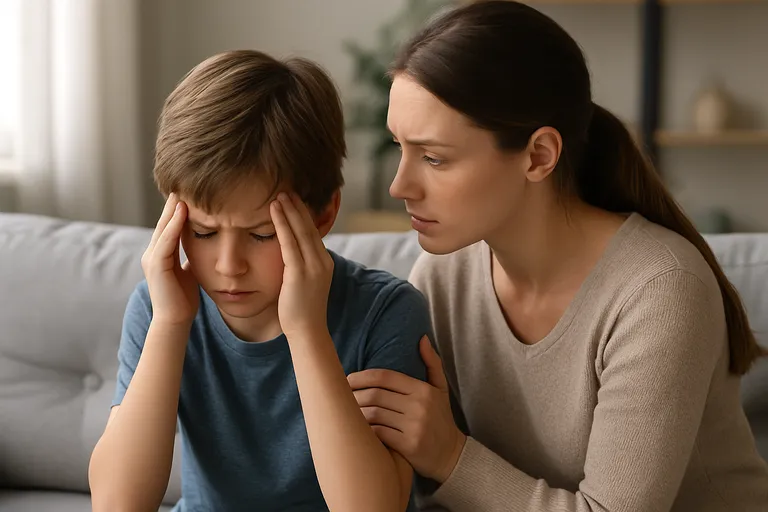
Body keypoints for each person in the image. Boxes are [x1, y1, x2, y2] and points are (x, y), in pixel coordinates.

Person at [347, 1, 768, 511]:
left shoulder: (660, 290)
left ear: (539, 155)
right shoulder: (442, 276)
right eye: (399, 147)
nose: (398, 185)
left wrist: (450, 456)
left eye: (434, 157)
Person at [88, 50, 430, 512]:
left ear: (324, 213)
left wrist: (306, 329)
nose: (229, 265)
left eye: (261, 234)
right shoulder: (160, 308)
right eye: (204, 232)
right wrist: (170, 323)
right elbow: (117, 504)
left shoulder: (385, 312)